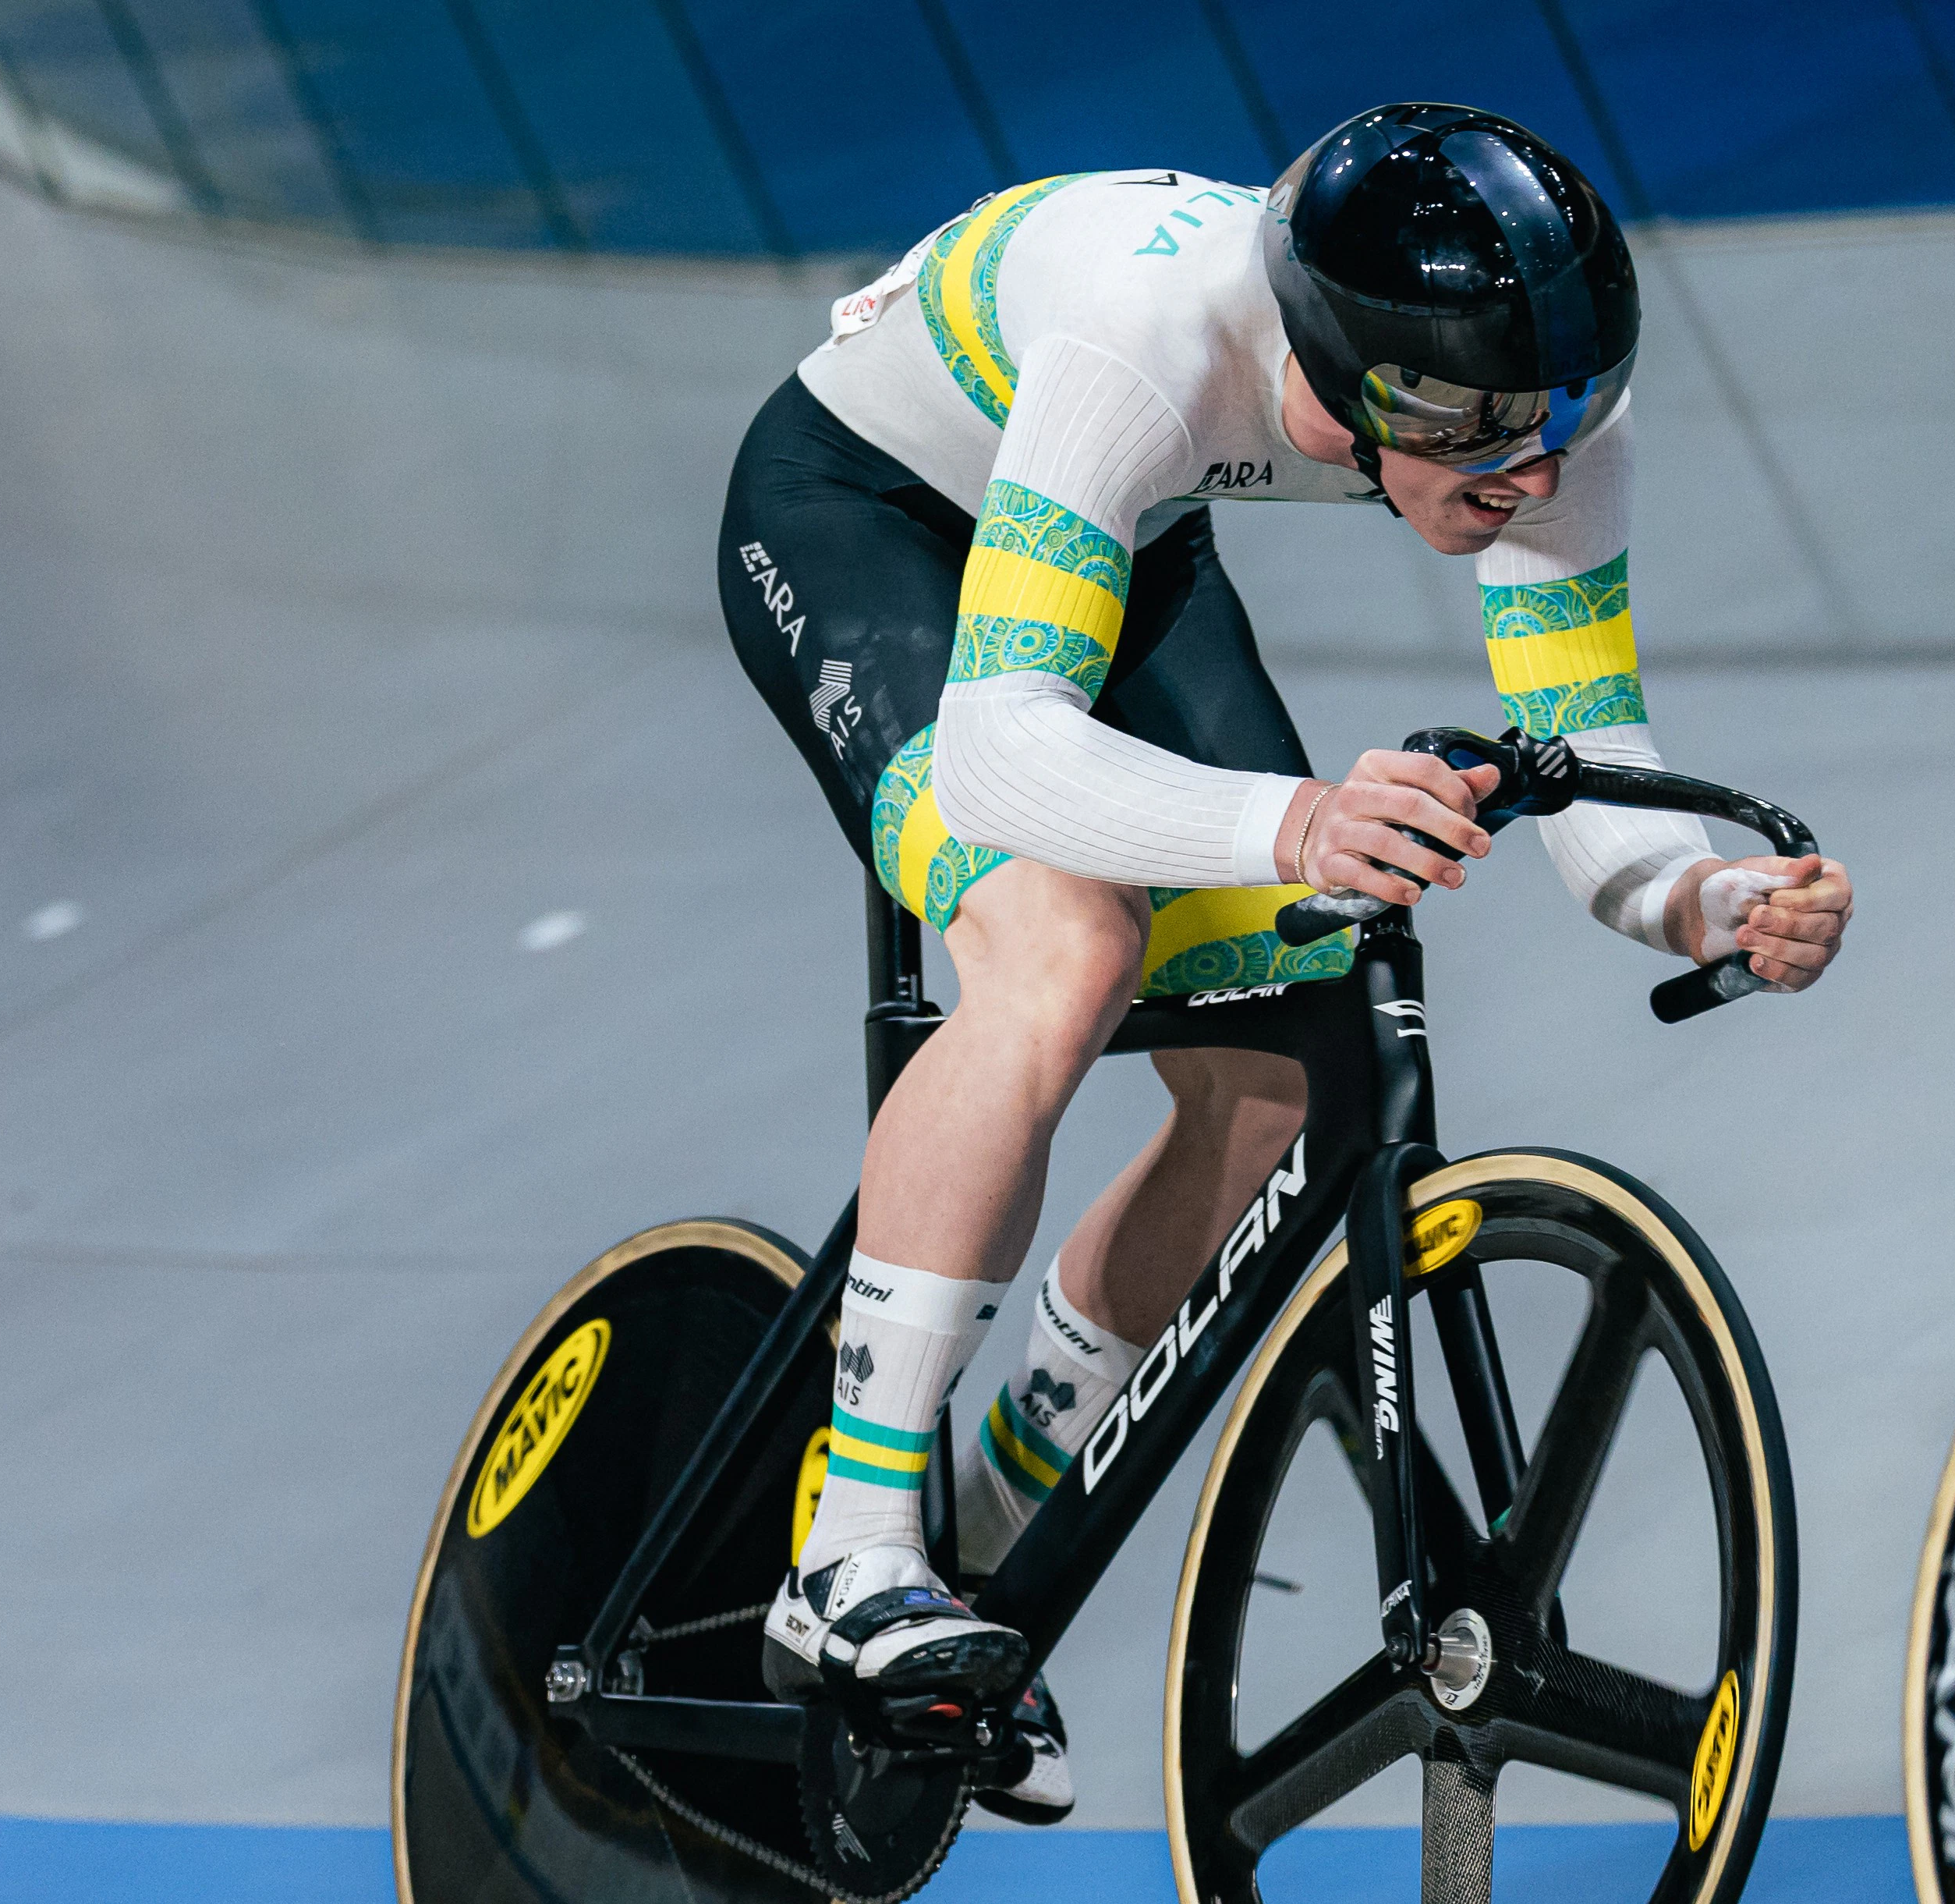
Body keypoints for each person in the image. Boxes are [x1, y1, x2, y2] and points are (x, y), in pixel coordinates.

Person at [711, 104, 1854, 1824]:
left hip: (1118, 540)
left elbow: (1582, 747)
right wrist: (1299, 821)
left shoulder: (1527, 397)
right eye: (1470, 435)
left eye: (1555, 424)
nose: (1524, 474)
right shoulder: (1148, 346)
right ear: (1343, 372)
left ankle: (997, 1545)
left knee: (1280, 1070)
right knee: (1063, 942)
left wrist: (1708, 901)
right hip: (867, 513)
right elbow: (1008, 750)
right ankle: (855, 1541)